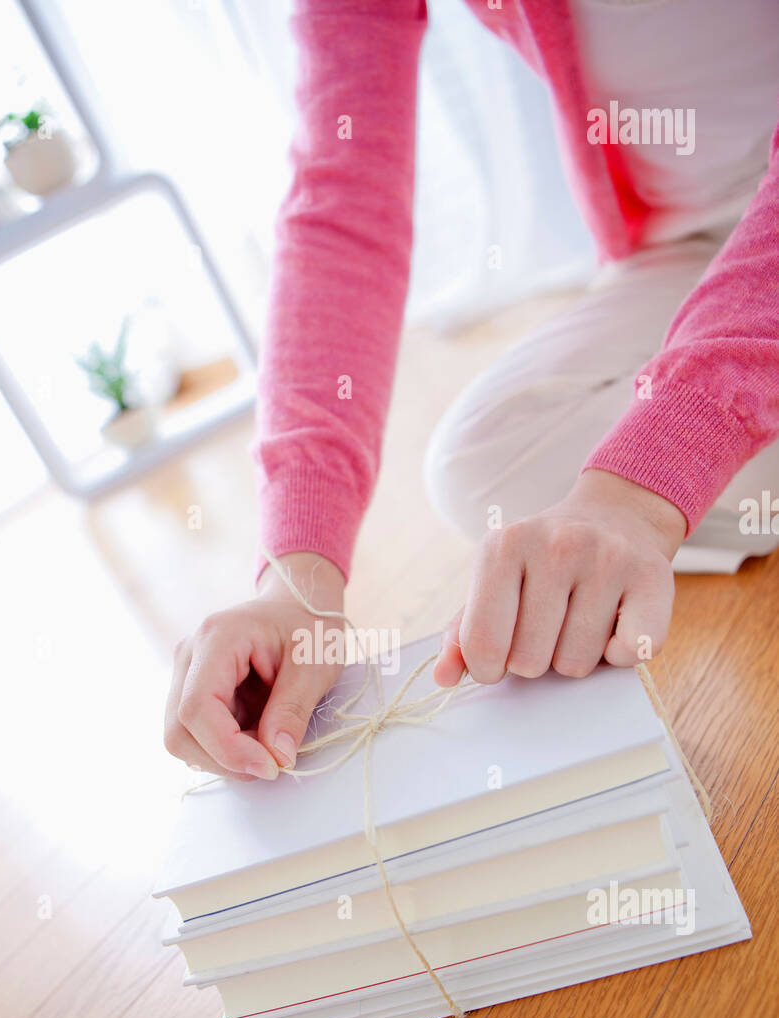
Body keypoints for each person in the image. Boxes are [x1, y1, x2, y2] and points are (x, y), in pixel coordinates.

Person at [165, 0, 779, 782]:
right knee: (484, 466)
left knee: (626, 473)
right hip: (687, 253)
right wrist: (296, 576)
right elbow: (340, 204)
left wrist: (642, 490)